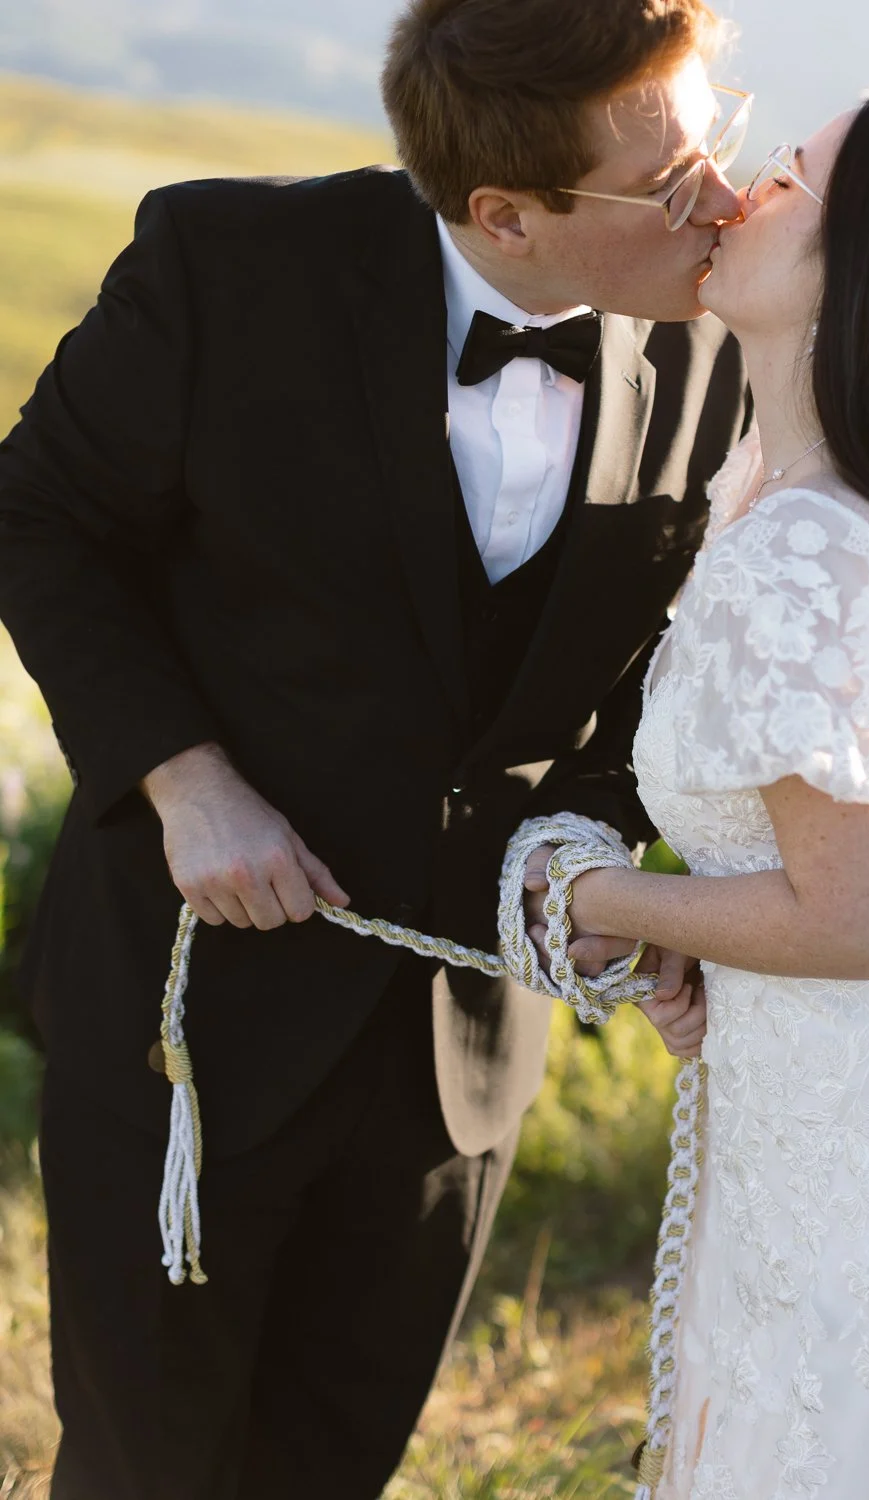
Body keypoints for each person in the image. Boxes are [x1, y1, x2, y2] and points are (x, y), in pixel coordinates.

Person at [0, 0, 749, 1494]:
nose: (718, 199)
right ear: (506, 214)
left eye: (715, 141)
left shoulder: (722, 351)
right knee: (150, 1473)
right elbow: (39, 517)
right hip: (191, 1026)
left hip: (455, 1066)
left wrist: (595, 872)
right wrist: (182, 779)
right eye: (670, 182)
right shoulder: (226, 270)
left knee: (327, 1472)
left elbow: (641, 688)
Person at [561, 89, 869, 1498]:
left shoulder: (811, 549)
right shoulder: (811, 507)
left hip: (861, 1159)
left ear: (867, 259)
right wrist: (695, 928)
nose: (745, 184)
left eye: (795, 175)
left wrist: (589, 895)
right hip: (837, 1111)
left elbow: (855, 919)